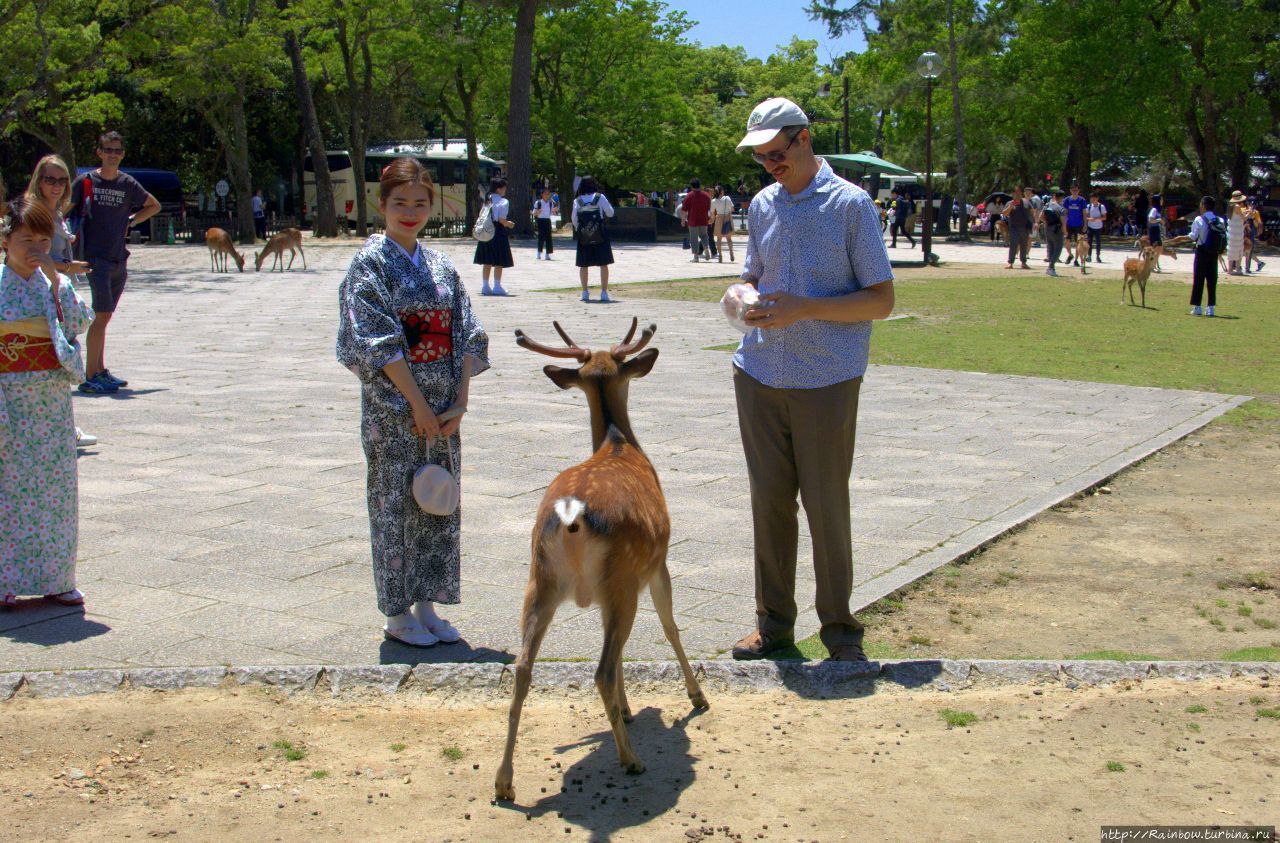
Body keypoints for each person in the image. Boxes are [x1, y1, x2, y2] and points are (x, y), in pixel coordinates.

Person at [728, 97, 895, 663]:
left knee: (826, 506)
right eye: (761, 156)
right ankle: (773, 625)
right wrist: (740, 293)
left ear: (804, 139)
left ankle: (841, 632)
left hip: (826, 378)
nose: (771, 164)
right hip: (759, 371)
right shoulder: (761, 204)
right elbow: (755, 272)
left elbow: (881, 300)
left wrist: (805, 308)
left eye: (777, 152)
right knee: (769, 504)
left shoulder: (851, 204)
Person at [336, 157, 489, 647]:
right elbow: (374, 340)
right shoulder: (369, 263)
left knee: (438, 501)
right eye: (399, 202)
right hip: (396, 407)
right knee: (395, 504)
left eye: (420, 203)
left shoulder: (441, 264)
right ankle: (397, 611)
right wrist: (416, 404)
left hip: (444, 406)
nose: (410, 212)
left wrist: (459, 399)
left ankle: (428, 603)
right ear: (381, 205)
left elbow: (467, 330)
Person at [1, 196, 96, 608]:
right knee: (9, 494)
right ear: (6, 240)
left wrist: (59, 281)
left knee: (56, 492)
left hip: (51, 400)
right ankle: (5, 578)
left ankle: (58, 578)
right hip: (7, 400)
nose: (35, 247)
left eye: (43, 238)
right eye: (26, 238)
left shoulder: (53, 283)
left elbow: (78, 325)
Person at [68, 130, 160, 395]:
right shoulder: (85, 181)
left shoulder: (127, 183)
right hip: (95, 259)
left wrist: (131, 220)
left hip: (119, 257)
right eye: (108, 150)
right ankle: (90, 376)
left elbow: (153, 205)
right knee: (102, 314)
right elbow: (63, 210)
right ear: (99, 152)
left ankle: (100, 370)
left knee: (104, 317)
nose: (113, 155)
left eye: (117, 150)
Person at [25, 155, 97, 448]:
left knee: (62, 356)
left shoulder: (56, 211)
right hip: (41, 291)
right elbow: (34, 255)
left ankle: (62, 424)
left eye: (61, 180)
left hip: (59, 289)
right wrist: (69, 268)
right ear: (38, 180)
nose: (56, 185)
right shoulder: (35, 211)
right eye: (49, 179)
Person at [571, 176, 615, 302]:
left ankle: (585, 292)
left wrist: (583, 229)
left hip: (584, 236)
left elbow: (574, 219)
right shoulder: (599, 197)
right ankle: (604, 292)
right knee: (603, 264)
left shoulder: (577, 200)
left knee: (583, 265)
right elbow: (610, 213)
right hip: (600, 234)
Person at [473, 177, 514, 295]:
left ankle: (485, 286)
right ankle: (497, 285)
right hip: (498, 231)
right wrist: (509, 224)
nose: (505, 189)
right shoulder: (503, 201)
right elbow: (501, 219)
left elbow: (481, 214)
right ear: (499, 189)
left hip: (486, 230)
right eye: (504, 187)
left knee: (487, 259)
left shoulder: (487, 199)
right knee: (499, 260)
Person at [1188, 195, 1222, 317]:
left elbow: (1193, 236)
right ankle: (1211, 307)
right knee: (1212, 280)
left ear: (1203, 205)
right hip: (1214, 252)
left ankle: (1197, 307)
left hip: (1201, 251)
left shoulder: (1199, 219)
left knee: (1199, 279)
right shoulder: (1220, 220)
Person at [1002, 187, 1033, 269]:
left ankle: (1023, 262)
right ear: (1013, 194)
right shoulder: (1010, 203)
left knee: (1024, 245)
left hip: (1025, 227)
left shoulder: (1026, 202)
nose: (1018, 194)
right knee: (1013, 244)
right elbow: (1004, 214)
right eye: (1016, 193)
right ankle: (1010, 262)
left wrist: (1034, 223)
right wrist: (1010, 207)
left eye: (1019, 192)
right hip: (1014, 227)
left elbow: (1032, 212)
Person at [682, 178, 711, 262]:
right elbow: (710, 209)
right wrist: (710, 218)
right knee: (704, 235)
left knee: (694, 238)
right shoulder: (706, 195)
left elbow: (684, 210)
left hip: (693, 220)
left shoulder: (689, 195)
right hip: (704, 220)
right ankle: (706, 248)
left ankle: (696, 257)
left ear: (692, 186)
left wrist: (683, 220)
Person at [1062, 184, 1088, 266]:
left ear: (1079, 191)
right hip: (1069, 224)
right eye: (1073, 190)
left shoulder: (1082, 200)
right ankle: (1070, 255)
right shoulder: (1067, 200)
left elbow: (1084, 213)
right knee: (1066, 241)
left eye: (1076, 190)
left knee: (1079, 243)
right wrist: (1064, 225)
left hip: (1079, 224)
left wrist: (1085, 224)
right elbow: (1065, 213)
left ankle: (1076, 260)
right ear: (1070, 190)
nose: (1075, 192)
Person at [710, 183, 736, 263]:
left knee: (718, 239)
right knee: (729, 238)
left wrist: (712, 220)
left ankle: (720, 256)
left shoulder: (713, 201)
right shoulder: (727, 198)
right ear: (721, 191)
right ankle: (731, 253)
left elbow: (712, 213)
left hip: (719, 218)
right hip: (727, 218)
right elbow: (732, 209)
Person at [1043, 190, 1066, 276]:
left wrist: (1048, 222)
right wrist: (1065, 231)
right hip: (1057, 229)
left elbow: (1041, 217)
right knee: (1058, 249)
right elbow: (1063, 222)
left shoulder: (1047, 205)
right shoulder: (1062, 209)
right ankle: (1051, 267)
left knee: (1051, 248)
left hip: (1048, 228)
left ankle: (1050, 267)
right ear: (1061, 198)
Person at [531, 187, 558, 261]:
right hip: (540, 220)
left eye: (548, 194)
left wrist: (555, 210)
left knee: (549, 238)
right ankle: (539, 253)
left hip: (547, 220)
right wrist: (537, 212)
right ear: (542, 194)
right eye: (545, 193)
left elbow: (553, 213)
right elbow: (534, 213)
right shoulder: (538, 202)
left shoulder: (550, 203)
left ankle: (547, 254)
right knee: (541, 237)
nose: (547, 195)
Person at [1226, 190, 1247, 276]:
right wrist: (1249, 213)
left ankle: (1230, 269)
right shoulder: (1237, 206)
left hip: (1232, 231)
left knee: (1231, 249)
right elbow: (1244, 218)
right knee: (1239, 249)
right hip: (1237, 231)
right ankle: (1238, 268)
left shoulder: (1230, 207)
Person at [1245, 197, 1265, 274]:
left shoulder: (1256, 212)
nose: (1251, 205)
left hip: (1251, 231)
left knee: (1250, 249)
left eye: (1252, 203)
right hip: (1244, 230)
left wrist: (1259, 230)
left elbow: (1259, 223)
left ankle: (1248, 267)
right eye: (1250, 203)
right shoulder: (1243, 210)